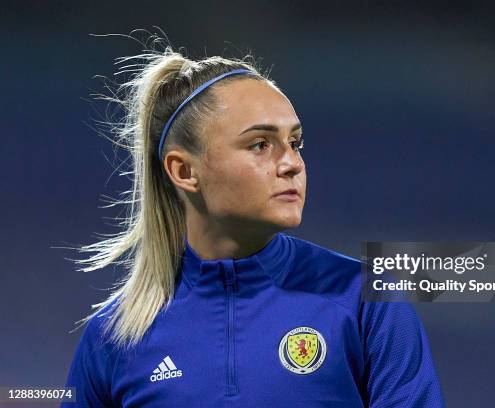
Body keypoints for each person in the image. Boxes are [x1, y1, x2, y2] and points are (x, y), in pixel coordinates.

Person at [62, 39, 445, 407]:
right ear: (183, 170)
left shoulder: (365, 301)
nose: (292, 163)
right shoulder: (114, 336)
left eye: (295, 142)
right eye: (260, 144)